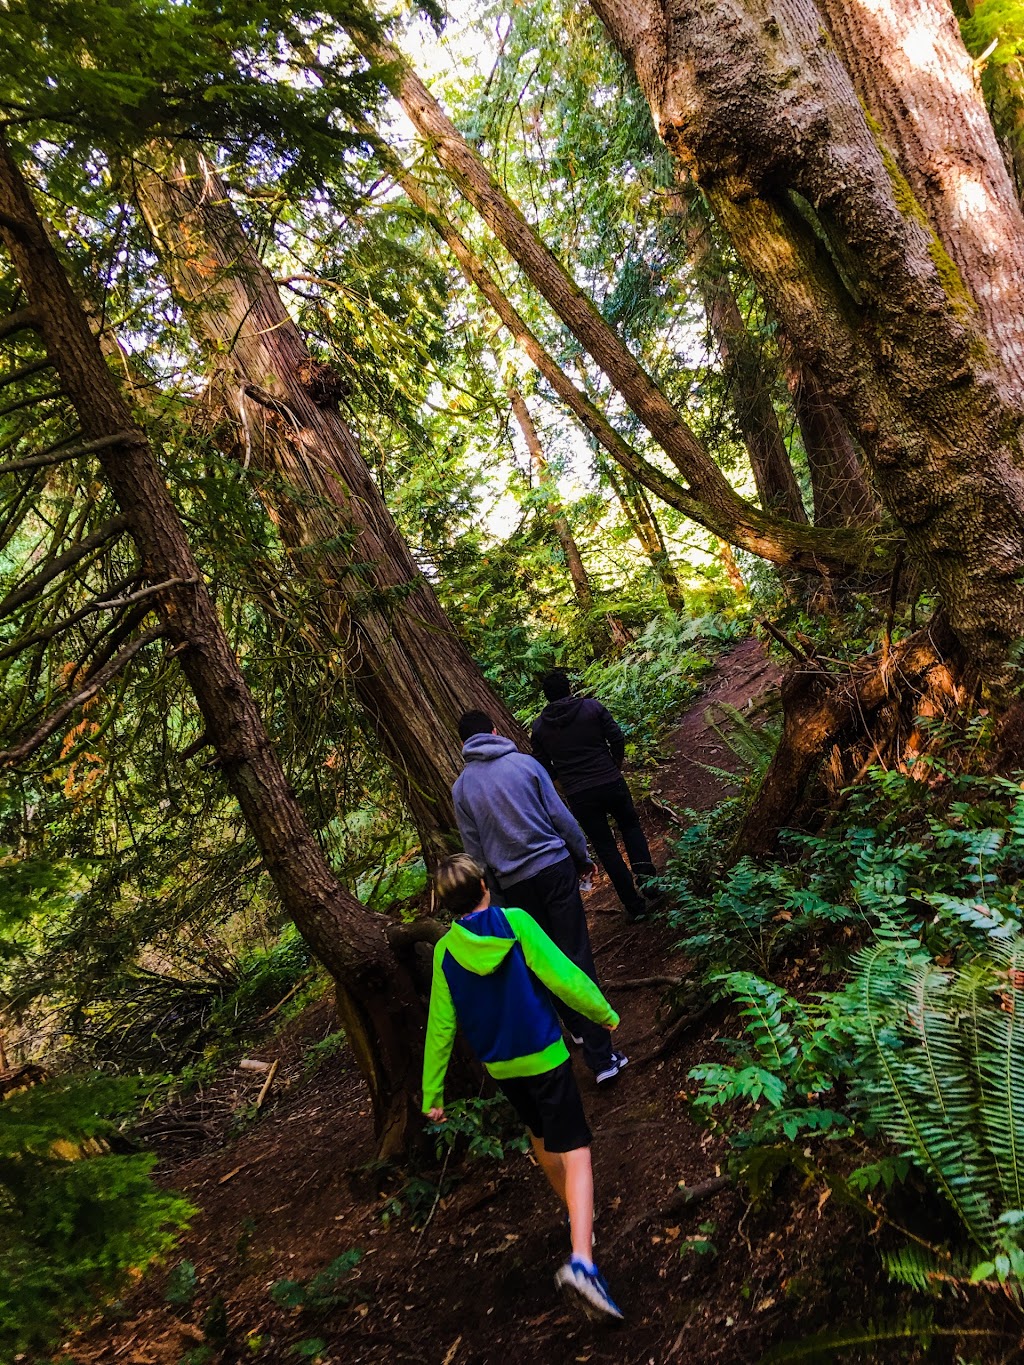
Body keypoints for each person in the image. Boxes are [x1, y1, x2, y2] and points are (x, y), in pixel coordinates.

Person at [423, 853, 624, 1321]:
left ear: (447, 905)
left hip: (503, 1068)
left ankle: (579, 1221)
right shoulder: (515, 922)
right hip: (545, 1056)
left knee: (540, 1136)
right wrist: (603, 1014)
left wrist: (432, 1094)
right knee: (575, 1149)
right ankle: (582, 1263)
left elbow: (439, 1026)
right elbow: (563, 975)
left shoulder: (445, 952)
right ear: (484, 887)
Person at [453, 709, 627, 1085]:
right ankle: (602, 1058)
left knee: (542, 960)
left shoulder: (462, 789)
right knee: (575, 954)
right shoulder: (525, 765)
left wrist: (495, 893)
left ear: (463, 745)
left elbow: (475, 851)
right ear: (496, 732)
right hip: (554, 870)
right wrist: (582, 857)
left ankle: (577, 1030)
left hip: (513, 887)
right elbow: (561, 818)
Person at [531, 670, 659, 922]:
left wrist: (563, 784)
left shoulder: (540, 727)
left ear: (547, 696)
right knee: (630, 827)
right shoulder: (591, 708)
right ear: (569, 688)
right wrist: (615, 764)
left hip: (579, 793)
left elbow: (542, 764)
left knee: (605, 846)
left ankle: (633, 905)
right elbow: (616, 736)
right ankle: (649, 883)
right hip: (610, 779)